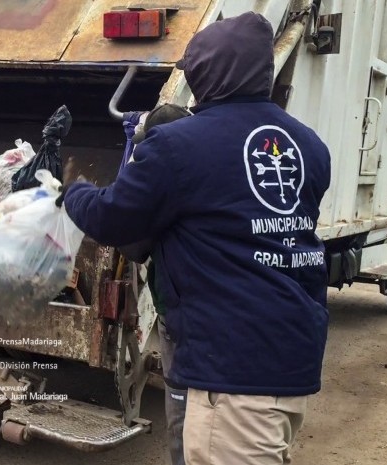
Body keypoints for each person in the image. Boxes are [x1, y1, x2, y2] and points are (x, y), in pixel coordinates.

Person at [59, 11, 331, 464]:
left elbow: (112, 219)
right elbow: (236, 225)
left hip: (231, 373)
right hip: (287, 358)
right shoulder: (310, 146)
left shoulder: (179, 146)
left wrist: (74, 191)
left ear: (212, 72)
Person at [120, 103, 191, 465]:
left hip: (183, 315)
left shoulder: (166, 183)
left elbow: (132, 242)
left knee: (183, 409)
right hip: (236, 318)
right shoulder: (215, 170)